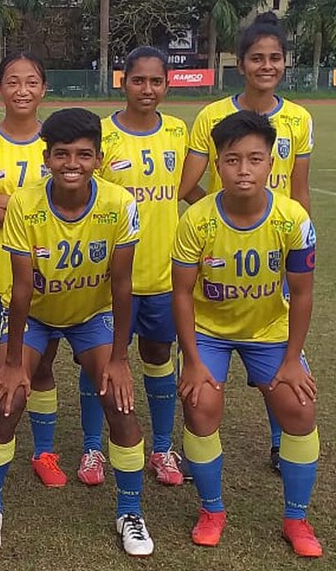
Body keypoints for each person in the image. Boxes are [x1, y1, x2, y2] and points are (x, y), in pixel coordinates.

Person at [0, 109, 154, 557]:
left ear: (99, 157)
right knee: (7, 401)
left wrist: (119, 358)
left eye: (84, 155)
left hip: (92, 314)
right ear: (46, 157)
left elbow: (123, 284)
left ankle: (130, 511)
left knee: (119, 403)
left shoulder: (119, 203)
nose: (73, 163)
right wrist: (12, 363)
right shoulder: (24, 205)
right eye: (62, 154)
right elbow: (19, 288)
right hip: (35, 314)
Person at [172, 110, 321, 557]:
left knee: (299, 408)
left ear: (270, 164)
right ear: (217, 165)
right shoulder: (196, 220)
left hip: (269, 331)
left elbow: (303, 293)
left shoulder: (292, 219)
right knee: (200, 405)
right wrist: (194, 362)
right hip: (207, 332)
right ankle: (211, 510)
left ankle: (297, 519)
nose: (243, 170)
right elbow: (181, 295)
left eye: (255, 159)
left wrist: (293, 358)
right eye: (233, 160)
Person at [179, 11, 315, 472]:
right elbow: (187, 186)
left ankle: (282, 441)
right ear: (240, 63)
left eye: (275, 58)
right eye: (257, 58)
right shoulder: (213, 115)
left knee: (274, 355)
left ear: (284, 64)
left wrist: (295, 240)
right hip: (224, 250)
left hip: (277, 251)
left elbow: (299, 190)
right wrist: (219, 215)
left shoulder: (298, 119)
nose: (266, 66)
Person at [75, 46, 189, 487]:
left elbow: (193, 192)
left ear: (166, 84)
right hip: (108, 277)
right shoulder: (101, 135)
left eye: (156, 81)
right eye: (138, 80)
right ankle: (92, 448)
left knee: (158, 357)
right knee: (99, 363)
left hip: (162, 274)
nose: (147, 89)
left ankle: (162, 448)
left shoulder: (179, 132)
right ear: (123, 82)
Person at [0, 51, 67, 488]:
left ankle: (45, 453)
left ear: (43, 88)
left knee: (41, 369)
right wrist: (35, 203)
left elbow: (66, 206)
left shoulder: (58, 141)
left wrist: (7, 200)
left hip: (48, 277)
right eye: (12, 81)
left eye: (31, 81)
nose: (21, 90)